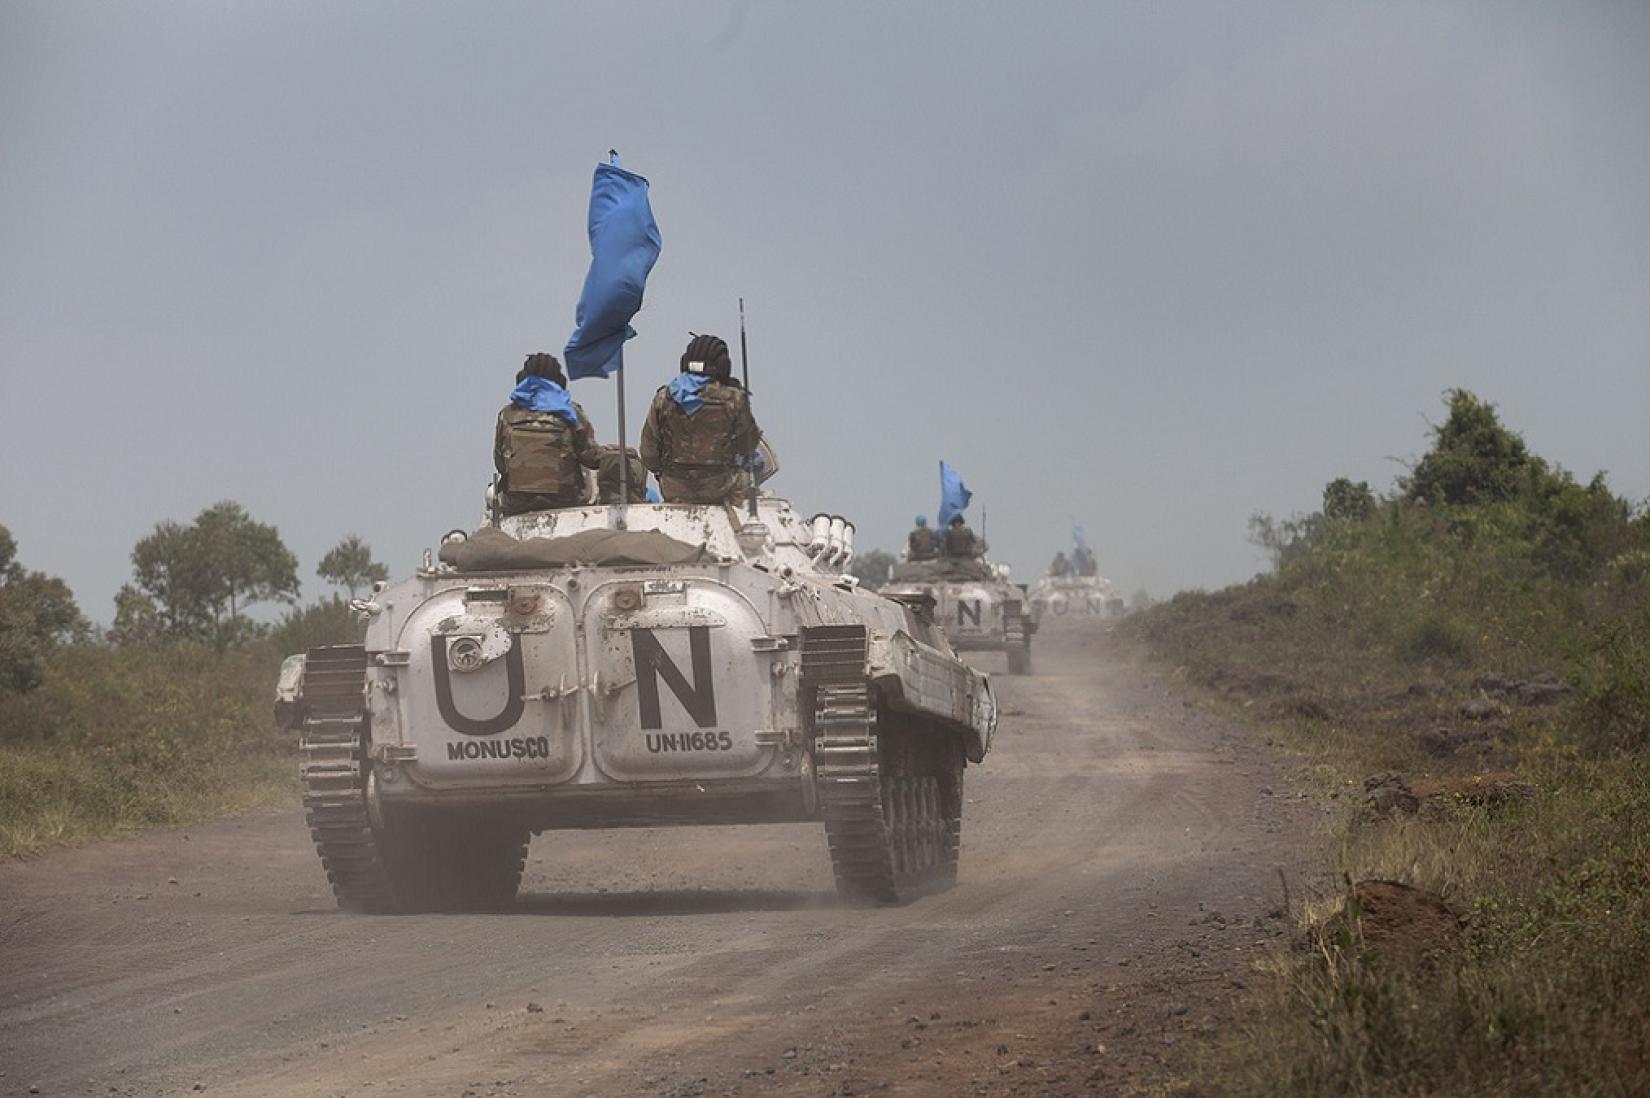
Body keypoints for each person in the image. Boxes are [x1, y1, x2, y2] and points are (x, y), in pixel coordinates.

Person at [640, 334, 762, 505]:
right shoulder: (734, 399)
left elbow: (648, 453)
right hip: (720, 487)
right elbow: (748, 447)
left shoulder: (665, 397)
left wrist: (662, 472)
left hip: (673, 488)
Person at [493, 353, 600, 516]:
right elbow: (591, 457)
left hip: (517, 502)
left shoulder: (507, 414)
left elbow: (500, 462)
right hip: (564, 500)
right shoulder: (570, 412)